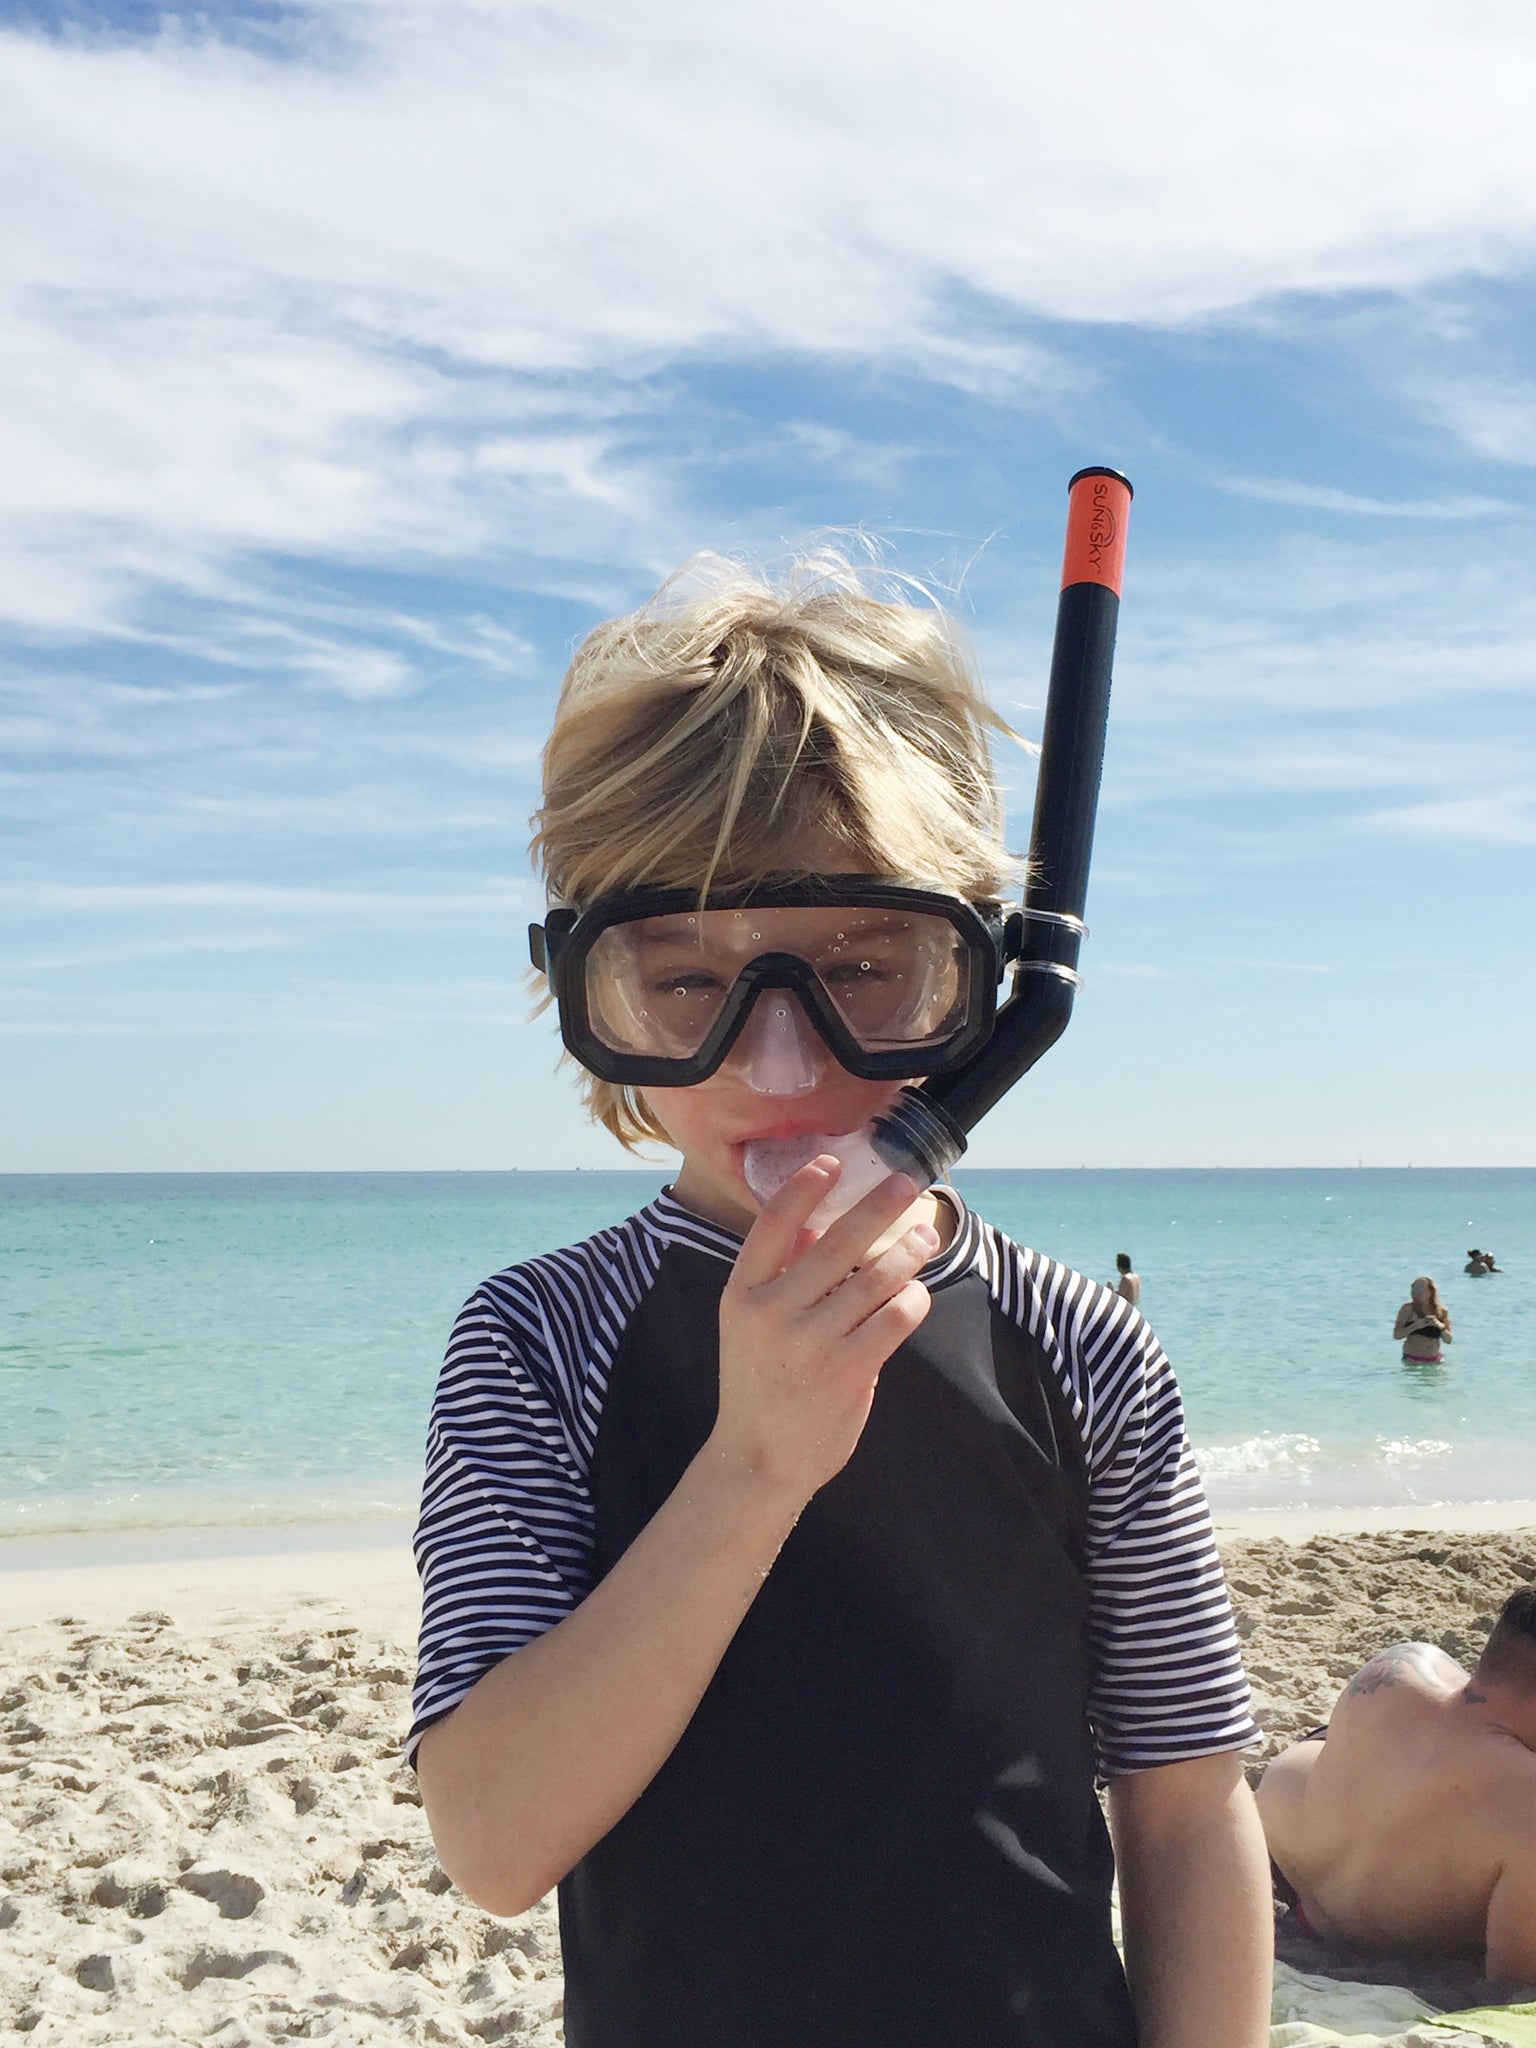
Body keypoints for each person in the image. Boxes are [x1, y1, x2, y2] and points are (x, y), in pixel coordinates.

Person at [408, 559, 1271, 2048]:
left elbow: (1189, 1808)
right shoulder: (538, 1342)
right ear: (586, 995)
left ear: (985, 981)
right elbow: (491, 1841)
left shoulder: (1081, 1347)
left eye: (865, 970)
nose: (784, 1067)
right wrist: (754, 1468)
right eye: (685, 986)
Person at [1256, 1588, 1536, 1986]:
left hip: (1297, 1855)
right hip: (1384, 1927)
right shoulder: (1527, 1798)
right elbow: (1514, 1978)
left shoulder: (1405, 1662)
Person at [1394, 1276, 1451, 1362]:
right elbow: (1397, 1335)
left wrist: (1439, 1326)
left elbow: (1449, 1340)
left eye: (1421, 1288)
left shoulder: (1441, 1311)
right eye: (1414, 1289)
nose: (1417, 1292)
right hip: (1412, 1359)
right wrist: (1415, 1326)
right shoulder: (1408, 1309)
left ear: (1430, 1291)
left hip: (1435, 1360)